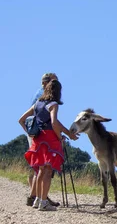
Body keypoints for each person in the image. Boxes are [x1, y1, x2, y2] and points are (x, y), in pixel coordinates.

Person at [18, 79, 79, 211]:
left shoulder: (38, 104)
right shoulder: (53, 104)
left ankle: (38, 200)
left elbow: (21, 120)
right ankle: (44, 202)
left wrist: (30, 133)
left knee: (40, 170)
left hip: (38, 139)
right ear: (58, 92)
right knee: (48, 170)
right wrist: (61, 136)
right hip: (50, 140)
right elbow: (54, 123)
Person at [25, 73, 60, 207]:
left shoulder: (38, 94)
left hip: (35, 131)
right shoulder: (46, 96)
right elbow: (52, 120)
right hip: (44, 133)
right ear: (48, 83)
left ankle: (35, 197)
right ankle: (40, 197)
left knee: (39, 167)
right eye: (54, 82)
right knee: (45, 167)